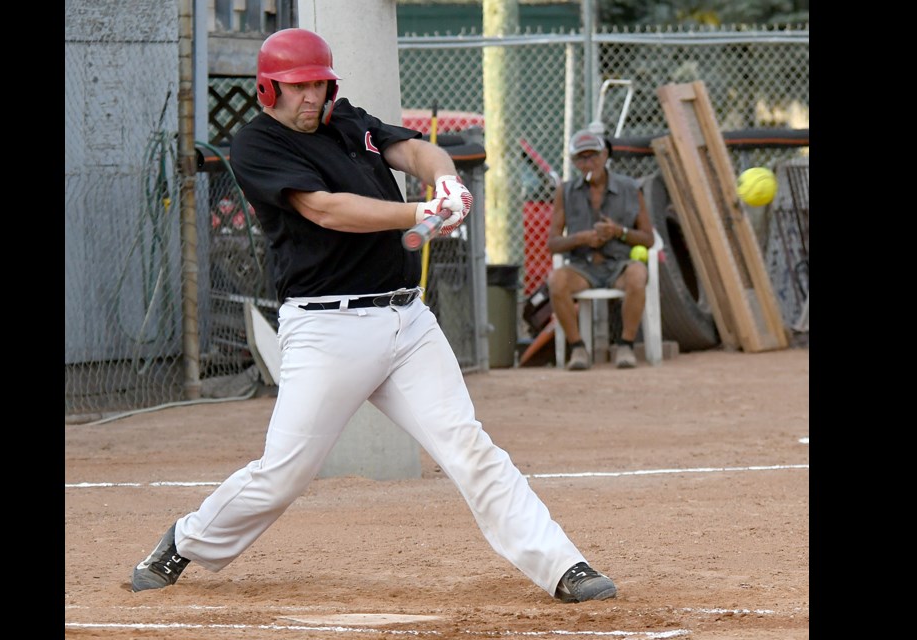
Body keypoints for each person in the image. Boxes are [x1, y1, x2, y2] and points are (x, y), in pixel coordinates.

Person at [130, 28, 617, 604]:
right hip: (326, 329)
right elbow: (327, 210)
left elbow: (413, 149)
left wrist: (447, 182)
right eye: (297, 87)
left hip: (406, 322)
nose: (311, 96)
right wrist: (419, 209)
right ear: (268, 89)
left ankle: (564, 565)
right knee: (283, 474)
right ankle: (186, 540)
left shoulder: (344, 119)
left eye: (318, 83)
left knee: (469, 445)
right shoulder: (258, 145)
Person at [546, 128, 655, 370]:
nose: (589, 163)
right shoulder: (566, 191)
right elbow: (553, 244)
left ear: (605, 155)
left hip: (619, 265)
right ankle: (578, 349)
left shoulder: (629, 188)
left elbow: (648, 239)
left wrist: (619, 232)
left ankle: (625, 345)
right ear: (574, 162)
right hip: (583, 266)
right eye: (582, 159)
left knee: (638, 274)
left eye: (593, 156)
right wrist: (581, 238)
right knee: (557, 281)